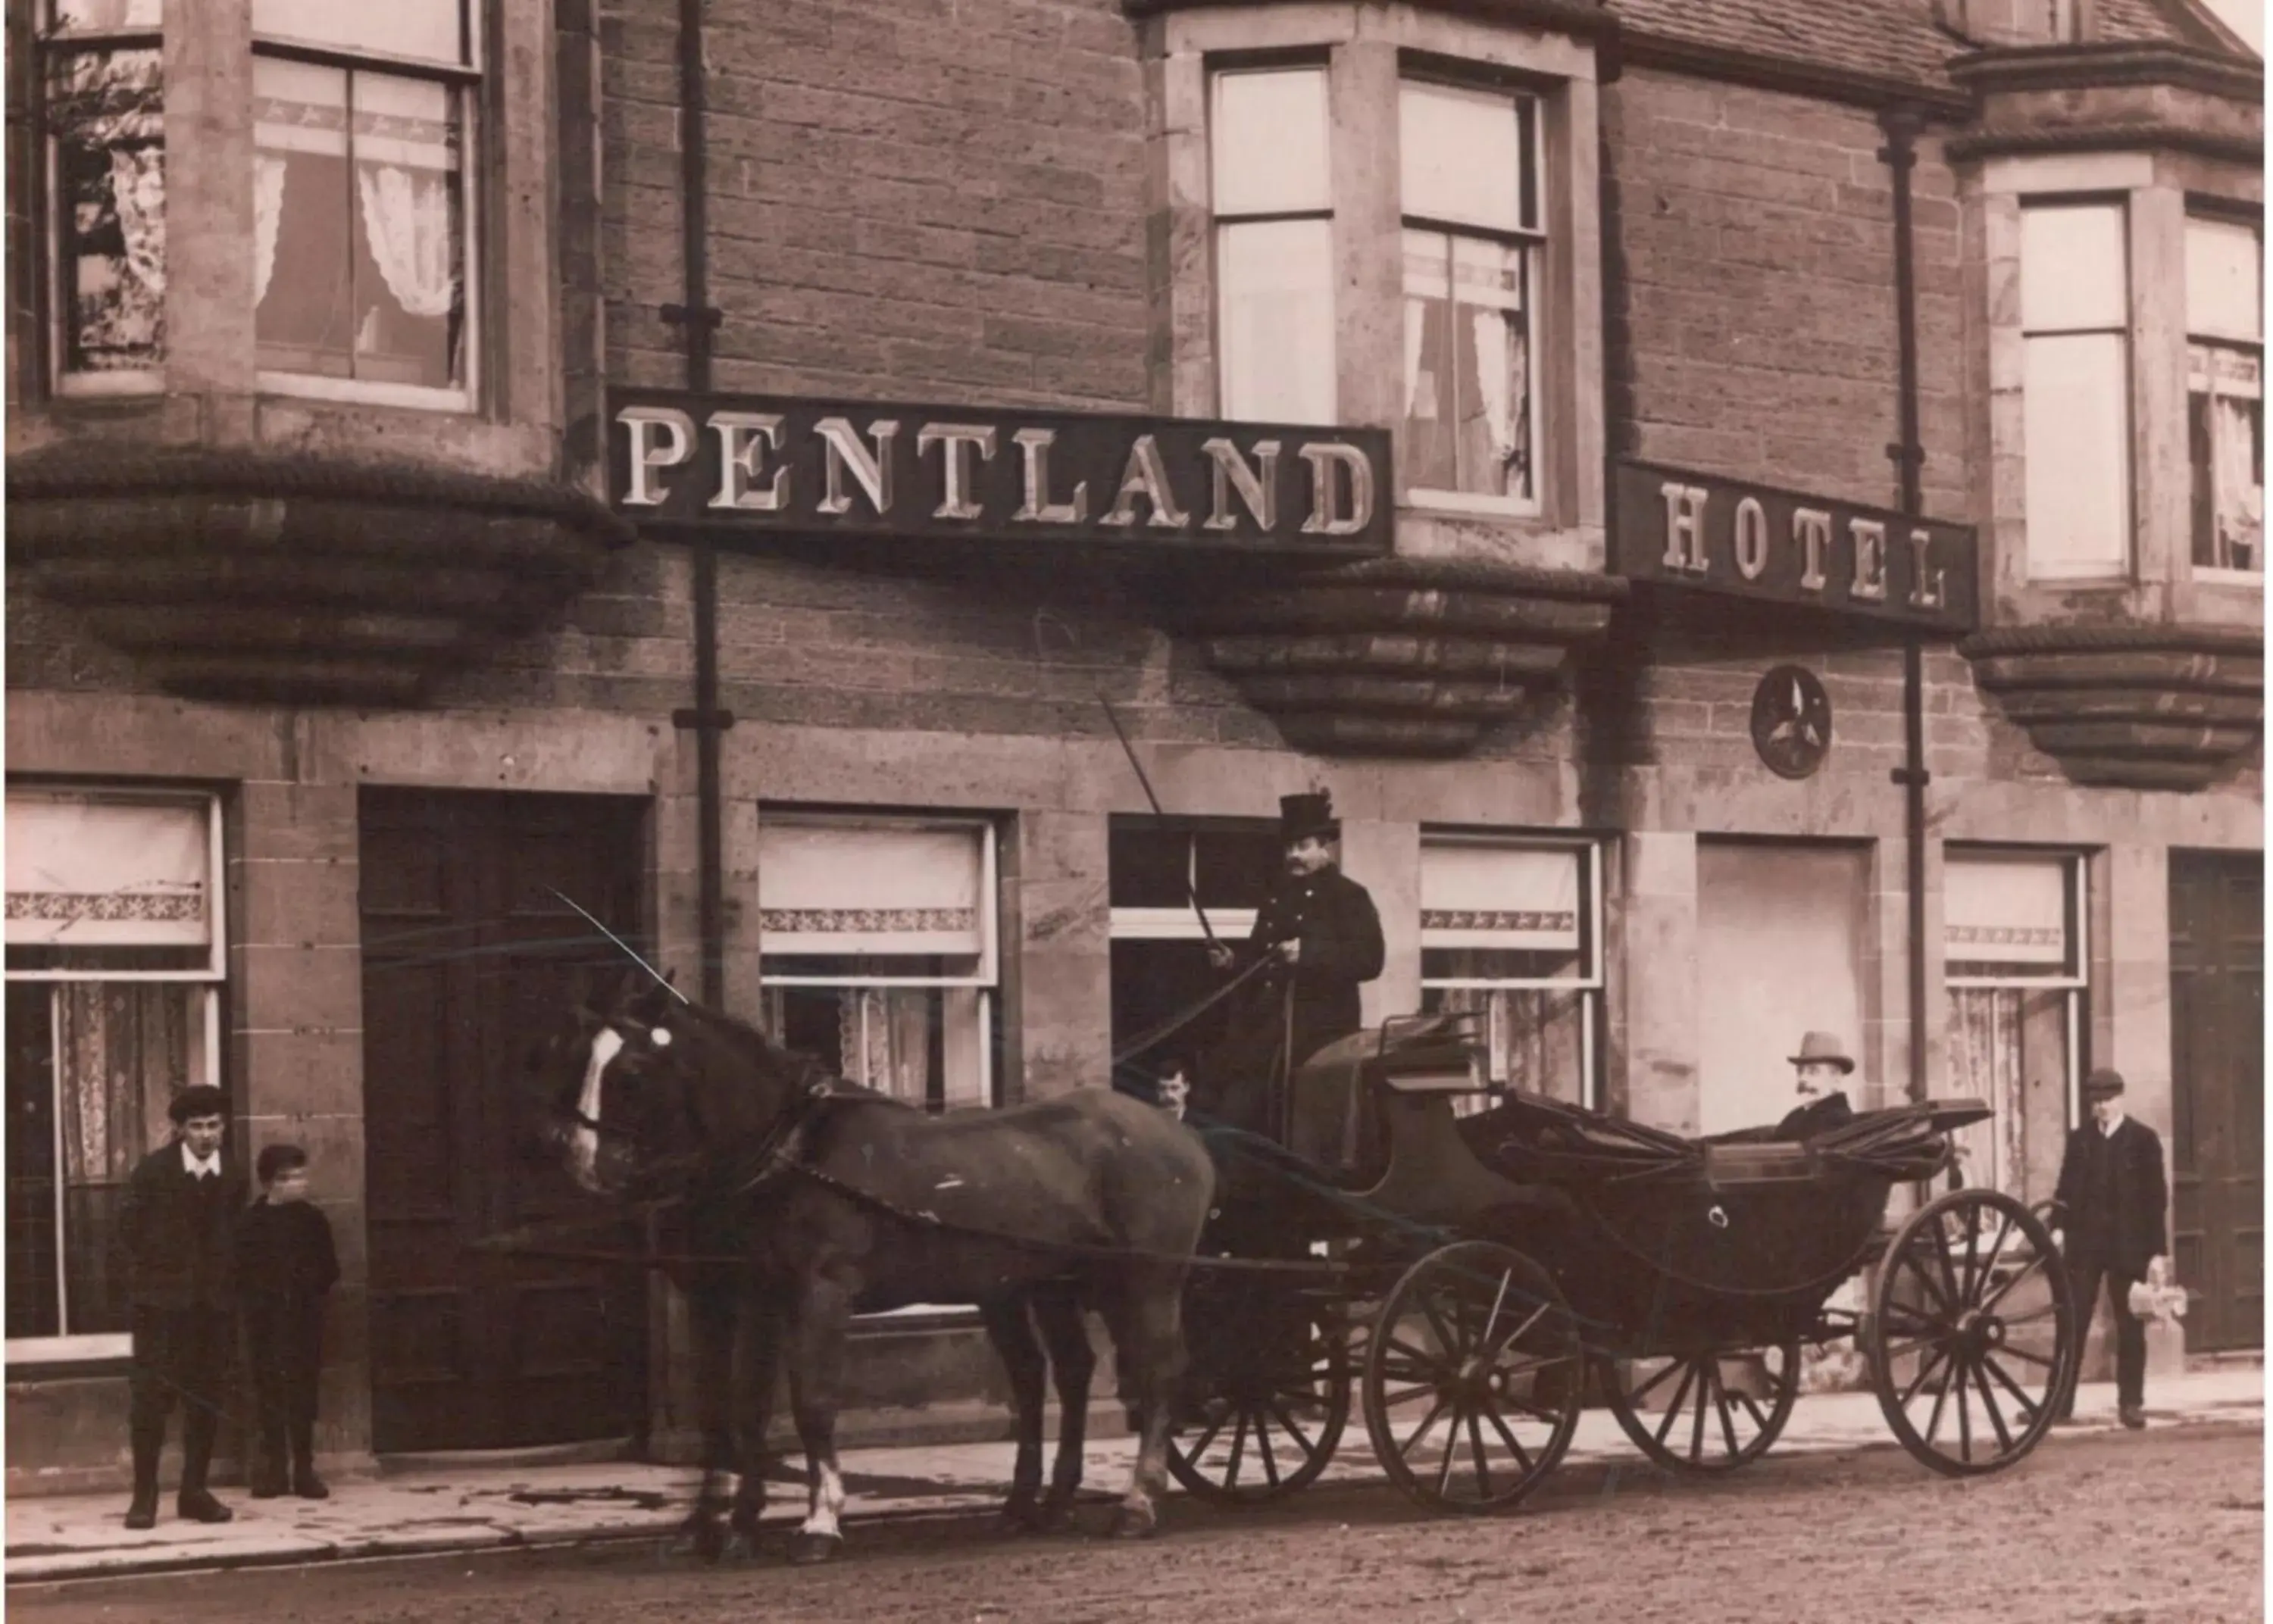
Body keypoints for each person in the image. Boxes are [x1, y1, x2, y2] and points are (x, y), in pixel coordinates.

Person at [1203, 791, 1385, 1135]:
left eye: (1302, 846)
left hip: (1320, 1040)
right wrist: (1232, 962)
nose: (1294, 856)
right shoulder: (1276, 898)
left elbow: (1371, 960)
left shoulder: (1349, 896)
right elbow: (1261, 961)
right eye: (1289, 848)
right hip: (1266, 1033)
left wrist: (1310, 954)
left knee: (1294, 1128)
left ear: (1324, 847)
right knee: (1226, 1111)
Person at [116, 1084, 248, 1529]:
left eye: (214, 1126)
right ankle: (144, 1495)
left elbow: (234, 1242)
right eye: (197, 1127)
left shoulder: (233, 1175)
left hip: (211, 1312)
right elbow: (129, 1235)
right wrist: (158, 1285)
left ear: (224, 1127)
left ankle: (194, 1491)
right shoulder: (152, 1173)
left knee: (206, 1399)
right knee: (151, 1402)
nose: (207, 1135)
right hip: (161, 1311)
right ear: (179, 1129)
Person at [2051, 1067, 2170, 1429]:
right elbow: (2066, 1188)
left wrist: (2156, 1254)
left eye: (2107, 1100)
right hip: (2085, 1247)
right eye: (2096, 1101)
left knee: (2130, 1325)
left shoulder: (2144, 1139)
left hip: (2128, 1248)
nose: (2101, 1107)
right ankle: (2059, 1404)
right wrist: (2057, 1227)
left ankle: (2131, 1404)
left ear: (2121, 1098)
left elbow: (2156, 1199)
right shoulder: (2080, 1140)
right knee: (2072, 1322)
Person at [238, 1144, 341, 1499]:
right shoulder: (252, 1223)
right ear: (270, 1184)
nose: (298, 1183)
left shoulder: (313, 1221)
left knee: (302, 1393)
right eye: (288, 1178)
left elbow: (330, 1269)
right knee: (269, 1392)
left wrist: (306, 1290)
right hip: (265, 1322)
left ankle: (304, 1468)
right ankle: (274, 1469)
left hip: (302, 1319)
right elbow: (241, 1272)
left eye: (301, 1175)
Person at [1773, 1030, 1858, 1139]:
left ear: (1836, 1079)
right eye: (1800, 1071)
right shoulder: (1797, 1115)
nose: (1802, 1078)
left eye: (1813, 1071)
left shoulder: (1837, 1121)